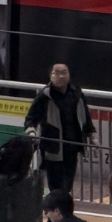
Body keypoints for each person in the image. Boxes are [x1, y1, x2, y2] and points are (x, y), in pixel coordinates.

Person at [25, 64, 93, 201]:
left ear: (69, 74)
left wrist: (92, 134)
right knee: (55, 186)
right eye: (56, 73)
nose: (61, 76)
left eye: (64, 72)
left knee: (67, 186)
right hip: (53, 148)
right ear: (50, 76)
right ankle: (54, 215)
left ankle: (60, 214)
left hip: (72, 147)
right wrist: (31, 131)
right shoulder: (44, 96)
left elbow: (85, 116)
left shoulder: (76, 93)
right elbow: (30, 119)